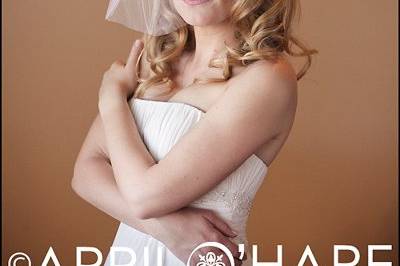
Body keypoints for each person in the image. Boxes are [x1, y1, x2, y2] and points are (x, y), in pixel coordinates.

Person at [72, 0, 317, 265]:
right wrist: (168, 230)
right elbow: (85, 173)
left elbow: (145, 197)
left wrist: (110, 98)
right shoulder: (156, 60)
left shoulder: (267, 79)